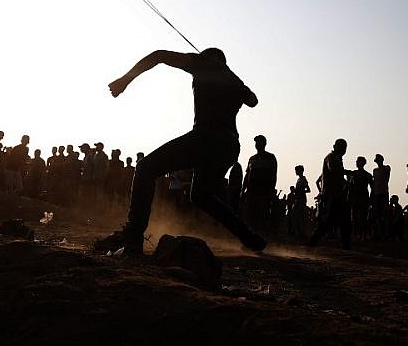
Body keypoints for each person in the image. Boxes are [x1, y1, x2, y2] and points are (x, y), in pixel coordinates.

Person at [94, 48, 266, 254]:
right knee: (201, 195)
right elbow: (253, 101)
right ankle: (251, 239)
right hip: (229, 146)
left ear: (210, 57)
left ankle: (132, 237)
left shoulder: (203, 65)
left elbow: (158, 56)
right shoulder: (236, 83)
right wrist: (236, 80)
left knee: (146, 168)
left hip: (206, 138)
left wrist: (125, 80)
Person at [308, 139, 352, 249]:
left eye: (344, 147)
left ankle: (346, 244)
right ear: (335, 146)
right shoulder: (331, 157)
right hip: (331, 195)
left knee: (343, 220)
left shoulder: (337, 158)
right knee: (328, 221)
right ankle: (312, 242)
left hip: (337, 195)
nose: (343, 150)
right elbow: (334, 170)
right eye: (341, 147)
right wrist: (347, 172)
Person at [241, 135, 277, 233]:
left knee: (262, 216)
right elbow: (247, 175)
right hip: (251, 191)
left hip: (264, 192)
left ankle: (261, 238)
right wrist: (243, 190)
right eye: (256, 143)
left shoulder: (270, 157)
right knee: (250, 215)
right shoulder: (252, 158)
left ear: (264, 144)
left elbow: (273, 175)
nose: (257, 145)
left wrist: (271, 192)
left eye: (259, 142)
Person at [348, 156, 373, 240]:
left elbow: (372, 187)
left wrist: (371, 199)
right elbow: (350, 187)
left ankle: (362, 234)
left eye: (358, 161)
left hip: (363, 197)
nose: (356, 163)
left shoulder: (367, 175)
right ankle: (356, 234)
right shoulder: (354, 174)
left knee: (362, 217)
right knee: (355, 217)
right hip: (356, 198)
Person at [371, 154, 391, 239]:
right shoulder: (375, 170)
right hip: (376, 193)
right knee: (377, 214)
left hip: (383, 193)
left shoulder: (386, 168)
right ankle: (378, 233)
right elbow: (374, 182)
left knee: (384, 214)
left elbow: (386, 178)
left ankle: (385, 233)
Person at [293, 165, 311, 238]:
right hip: (298, 199)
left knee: (300, 216)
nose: (296, 172)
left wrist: (300, 191)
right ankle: (298, 231)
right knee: (296, 216)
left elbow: (308, 189)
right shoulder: (299, 179)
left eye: (297, 170)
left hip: (301, 199)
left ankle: (301, 232)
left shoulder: (303, 179)